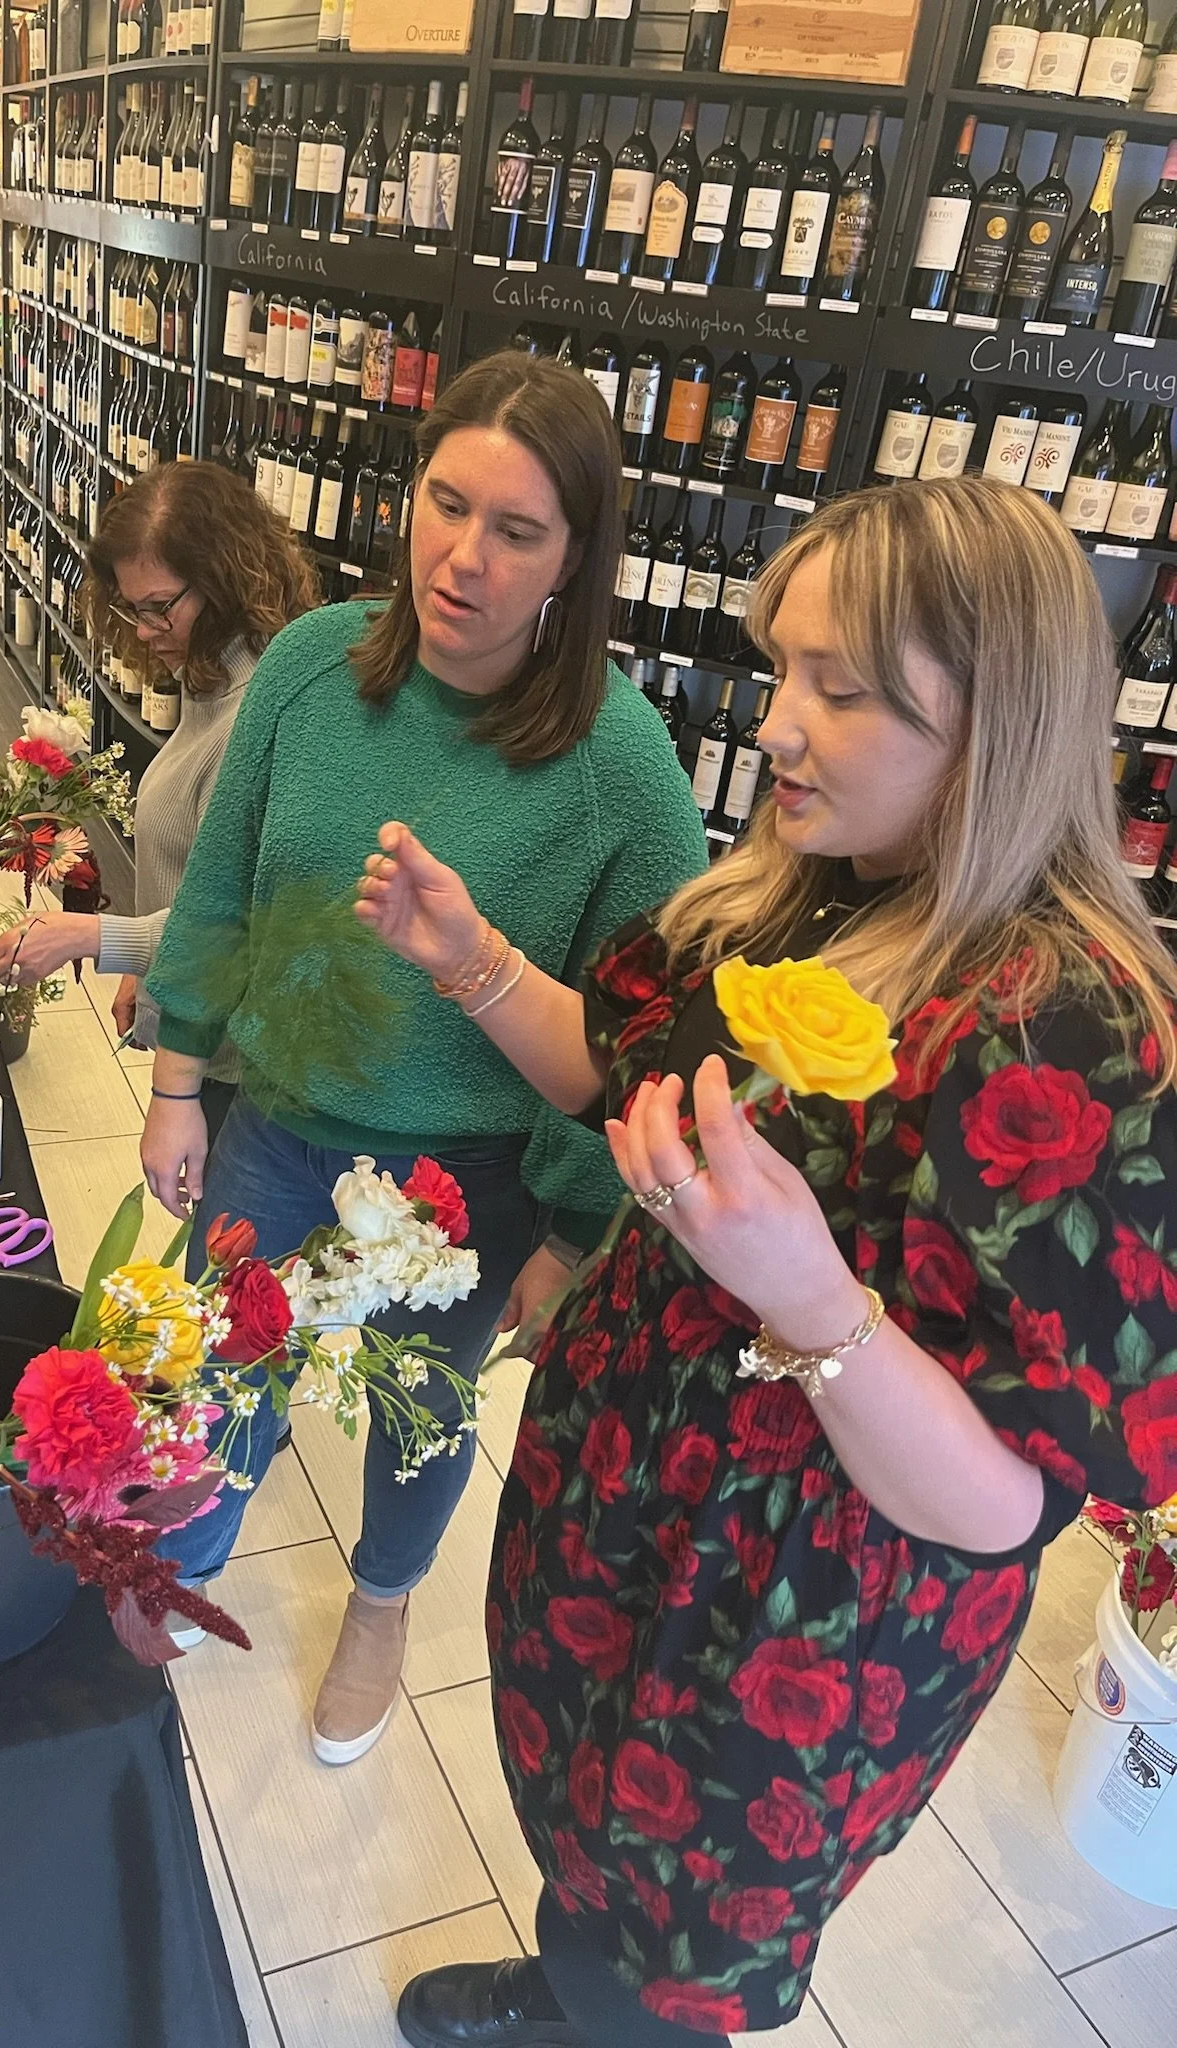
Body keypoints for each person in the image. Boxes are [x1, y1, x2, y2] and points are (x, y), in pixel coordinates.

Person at [355, 476, 1177, 2048]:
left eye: (843, 691)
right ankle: (565, 1984)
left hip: (788, 1622)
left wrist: (810, 1295)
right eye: (783, 669)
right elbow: (621, 1082)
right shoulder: (801, 894)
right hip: (624, 1505)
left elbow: (1010, 1507)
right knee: (584, 1844)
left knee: (668, 1949)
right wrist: (474, 962)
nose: (779, 728)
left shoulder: (1079, 1033)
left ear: (995, 722)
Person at [142, 352, 706, 1760]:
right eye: (446, 503)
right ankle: (177, 1564)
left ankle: (383, 1601)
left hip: (472, 1181)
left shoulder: (624, 774)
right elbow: (219, 888)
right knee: (214, 1377)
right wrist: (174, 1079)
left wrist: (574, 1231)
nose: (464, 555)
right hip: (277, 1125)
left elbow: (640, 1035)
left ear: (577, 557)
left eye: (517, 531)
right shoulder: (308, 672)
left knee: (422, 1415)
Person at [0, 461, 319, 1140]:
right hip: (199, 1037)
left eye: (160, 606)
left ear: (226, 580)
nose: (141, 628)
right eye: (131, 608)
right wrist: (152, 970)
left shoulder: (261, 717)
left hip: (235, 1078)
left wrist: (95, 938)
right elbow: (198, 871)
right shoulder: (209, 683)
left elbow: (254, 923)